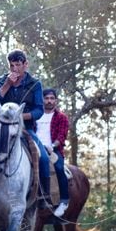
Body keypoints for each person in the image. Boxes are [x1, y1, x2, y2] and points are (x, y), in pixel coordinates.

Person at [0, 49, 51, 208]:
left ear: (25, 65)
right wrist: (7, 84)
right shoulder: (3, 80)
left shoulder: (35, 84)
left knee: (43, 157)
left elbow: (39, 110)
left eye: (18, 65)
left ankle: (43, 196)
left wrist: (20, 117)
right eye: (12, 65)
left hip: (25, 129)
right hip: (3, 128)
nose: (14, 69)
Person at [36, 88, 70, 217]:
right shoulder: (36, 115)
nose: (49, 101)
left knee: (59, 168)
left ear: (55, 101)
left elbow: (62, 136)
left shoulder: (61, 117)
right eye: (46, 98)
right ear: (42, 100)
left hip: (53, 150)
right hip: (34, 149)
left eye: (52, 98)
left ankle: (64, 201)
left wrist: (52, 146)